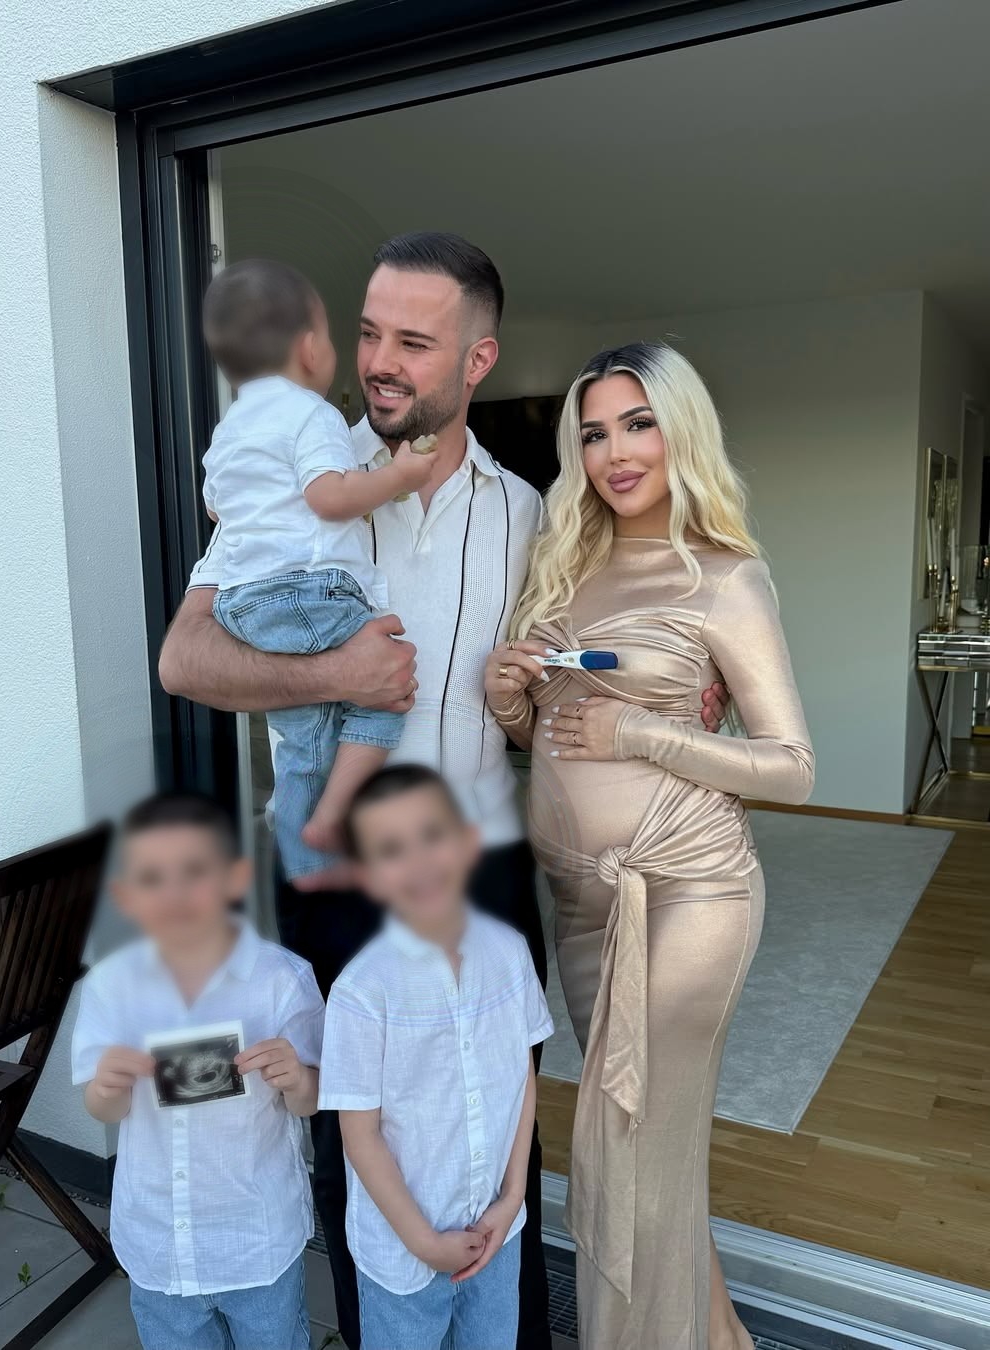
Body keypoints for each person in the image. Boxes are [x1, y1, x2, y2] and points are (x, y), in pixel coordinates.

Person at [158, 234, 728, 1349]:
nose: (380, 362)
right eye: (370, 333)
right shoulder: (293, 482)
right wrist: (334, 676)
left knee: (499, 1128)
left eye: (414, 343)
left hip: (483, 872)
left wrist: (683, 690)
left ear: (478, 359)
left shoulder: (528, 515)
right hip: (337, 877)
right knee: (351, 1136)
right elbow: (185, 659)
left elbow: (589, 648)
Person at [486, 343, 815, 1350]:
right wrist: (511, 703)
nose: (616, 452)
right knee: (651, 1159)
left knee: (624, 1161)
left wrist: (644, 732)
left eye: (639, 424)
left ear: (682, 432)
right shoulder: (563, 566)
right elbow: (552, 733)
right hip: (584, 909)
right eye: (594, 433)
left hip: (687, 891)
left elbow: (792, 767)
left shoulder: (725, 577)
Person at [201, 258, 441, 890]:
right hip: (307, 588)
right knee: (388, 682)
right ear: (310, 349)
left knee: (304, 735)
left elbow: (217, 507)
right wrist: (398, 476)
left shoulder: (228, 430)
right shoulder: (312, 415)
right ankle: (331, 819)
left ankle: (305, 859)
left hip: (240, 602)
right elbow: (330, 497)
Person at [71, 793, 324, 1350]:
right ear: (127, 896)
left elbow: (311, 1100)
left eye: (195, 872)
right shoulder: (112, 987)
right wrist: (107, 1087)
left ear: (235, 879)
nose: (176, 894)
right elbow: (103, 1107)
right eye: (153, 878)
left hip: (256, 1236)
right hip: (158, 1238)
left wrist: (298, 1077)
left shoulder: (280, 980)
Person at [320, 765, 552, 1350]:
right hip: (402, 1255)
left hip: (497, 1231)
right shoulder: (362, 991)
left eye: (432, 835)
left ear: (468, 842)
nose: (419, 862)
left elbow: (521, 1076)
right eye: (392, 850)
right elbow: (359, 1134)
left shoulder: (510, 953)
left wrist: (513, 1196)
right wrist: (422, 1241)